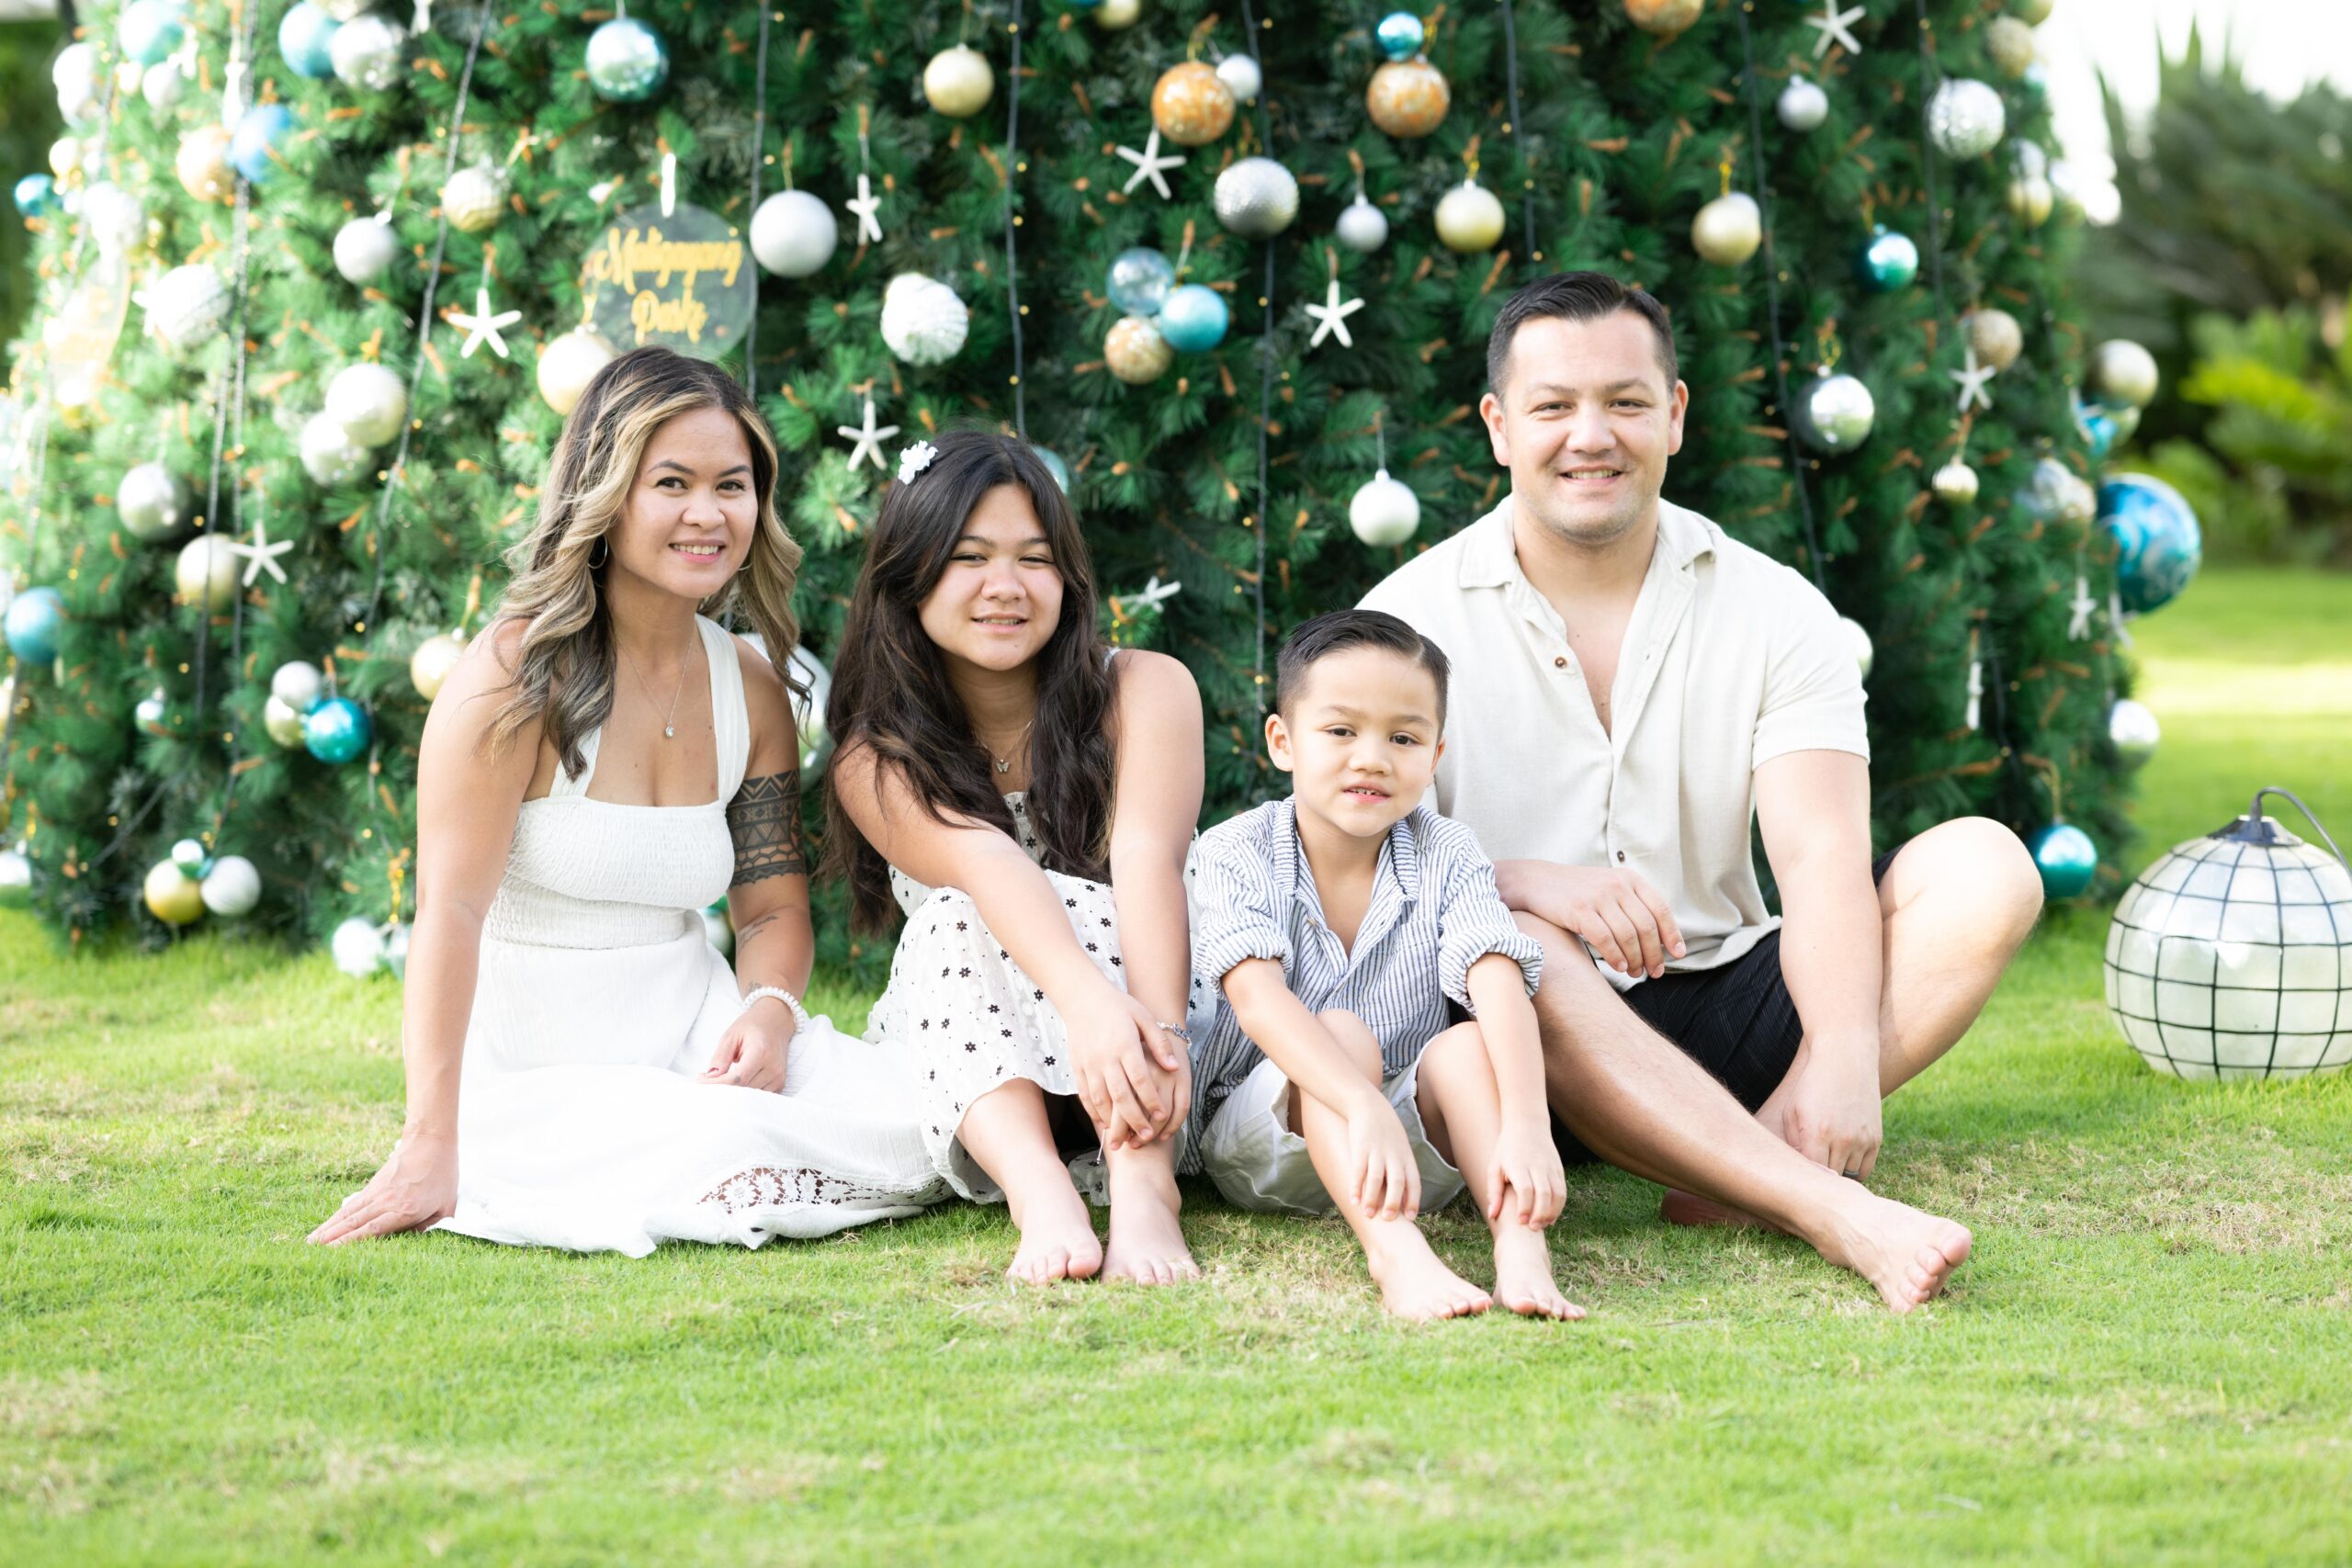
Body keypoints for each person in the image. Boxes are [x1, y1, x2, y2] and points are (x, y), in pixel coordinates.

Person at [1363, 271, 2045, 1313]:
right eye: (1552, 407)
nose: (1589, 435)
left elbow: (1818, 862)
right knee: (1521, 945)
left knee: (1986, 868)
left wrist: (1845, 1054)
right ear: (1499, 427)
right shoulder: (1404, 622)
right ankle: (1818, 1204)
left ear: (1673, 416)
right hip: (1507, 1047)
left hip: (1718, 991)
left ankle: (1754, 1145)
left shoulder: (1777, 609)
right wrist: (1533, 883)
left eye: (1624, 402)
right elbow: (1355, 880)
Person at [308, 346, 944, 1254]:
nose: (706, 513)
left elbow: (769, 911)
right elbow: (448, 912)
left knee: (913, 1112)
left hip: (696, 1030)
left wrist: (768, 1015)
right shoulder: (512, 679)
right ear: (604, 497)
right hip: (540, 1061)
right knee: (717, 1145)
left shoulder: (751, 686)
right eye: (671, 483)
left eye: (731, 486)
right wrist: (428, 1142)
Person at [825, 430, 1202, 1287]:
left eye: (1035, 558)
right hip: (980, 1067)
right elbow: (992, 865)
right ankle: (1040, 1194)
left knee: (1097, 894)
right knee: (958, 913)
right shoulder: (875, 758)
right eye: (969, 558)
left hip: (1145, 1032)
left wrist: (1145, 1028)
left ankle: (1146, 1191)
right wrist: (1085, 1005)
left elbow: (1146, 860)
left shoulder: (1147, 689)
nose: (1006, 587)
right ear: (908, 574)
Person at [1185, 610, 1580, 1323]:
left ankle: (1521, 1250)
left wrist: (1528, 1122)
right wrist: (1360, 1102)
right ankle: (1396, 1256)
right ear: (1283, 741)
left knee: (1464, 1044)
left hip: (1405, 1143)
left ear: (1434, 757)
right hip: (1268, 1134)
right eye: (1340, 731)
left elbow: (1495, 975)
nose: (1372, 757)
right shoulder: (1234, 849)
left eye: (1402, 737)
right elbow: (1255, 998)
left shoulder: (1448, 850)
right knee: (1341, 1031)